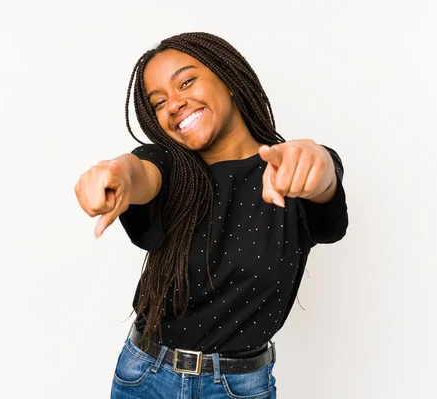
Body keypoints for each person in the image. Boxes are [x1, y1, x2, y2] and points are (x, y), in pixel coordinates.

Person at [74, 31, 349, 399]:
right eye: (158, 102)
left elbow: (322, 179)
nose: (173, 104)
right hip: (145, 378)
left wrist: (318, 163)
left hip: (239, 387)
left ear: (228, 79)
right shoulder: (171, 167)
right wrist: (116, 174)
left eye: (186, 81)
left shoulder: (289, 171)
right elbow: (139, 171)